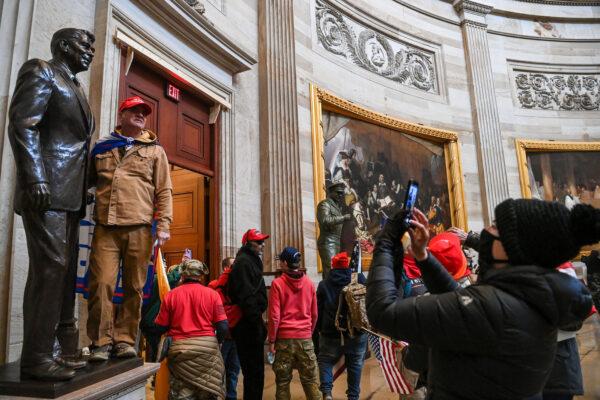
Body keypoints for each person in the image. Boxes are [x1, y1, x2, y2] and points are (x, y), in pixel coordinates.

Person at [366, 199, 596, 399]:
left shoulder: (491, 309)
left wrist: (386, 243)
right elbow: (460, 297)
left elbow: (383, 312)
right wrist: (423, 258)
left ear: (514, 248)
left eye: (496, 226)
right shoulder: (534, 295)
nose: (486, 229)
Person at [8, 27, 96, 380]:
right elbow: (23, 124)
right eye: (83, 44)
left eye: (92, 46)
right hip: (46, 188)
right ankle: (36, 357)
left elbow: (77, 144)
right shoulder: (41, 70)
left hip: (70, 194)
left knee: (63, 270)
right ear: (62, 45)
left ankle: (60, 348)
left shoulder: (75, 86)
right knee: (50, 268)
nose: (90, 50)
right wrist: (35, 177)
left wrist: (86, 185)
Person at [87, 96, 173, 361]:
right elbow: (86, 184)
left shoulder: (155, 151)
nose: (140, 115)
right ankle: (100, 342)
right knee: (101, 284)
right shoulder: (102, 148)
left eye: (143, 112)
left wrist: (164, 225)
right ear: (121, 115)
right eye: (134, 110)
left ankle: (124, 340)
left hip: (139, 227)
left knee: (135, 287)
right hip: (105, 227)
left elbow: (164, 190)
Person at [155, 259, 227, 399]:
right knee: (208, 393)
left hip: (180, 352)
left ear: (183, 275)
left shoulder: (171, 295)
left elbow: (160, 326)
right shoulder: (212, 294)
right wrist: (217, 341)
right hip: (208, 352)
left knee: (182, 394)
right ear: (201, 275)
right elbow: (223, 326)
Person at [268, 247, 320, 400]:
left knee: (283, 381)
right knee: (310, 380)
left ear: (285, 263)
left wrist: (272, 340)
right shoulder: (309, 284)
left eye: (281, 262)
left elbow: (274, 316)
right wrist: (307, 334)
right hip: (305, 337)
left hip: (284, 339)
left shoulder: (277, 284)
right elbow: (315, 314)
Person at [317, 252, 368, 400]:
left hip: (331, 333)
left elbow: (318, 310)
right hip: (357, 332)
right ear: (347, 265)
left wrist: (320, 330)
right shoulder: (359, 279)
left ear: (333, 266)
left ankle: (327, 393)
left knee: (325, 361)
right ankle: (353, 396)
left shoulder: (324, 284)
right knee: (355, 364)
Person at [227, 229, 270, 400]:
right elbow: (245, 295)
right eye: (258, 242)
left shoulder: (250, 260)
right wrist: (256, 323)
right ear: (248, 243)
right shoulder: (243, 262)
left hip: (251, 323)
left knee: (255, 372)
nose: (262, 245)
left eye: (262, 241)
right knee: (253, 372)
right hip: (247, 325)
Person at [140, 249, 192, 362]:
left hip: (148, 322)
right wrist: (184, 263)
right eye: (162, 263)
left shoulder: (144, 278)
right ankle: (156, 377)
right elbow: (171, 279)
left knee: (153, 353)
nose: (164, 265)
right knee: (158, 355)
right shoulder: (154, 279)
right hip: (154, 322)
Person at [208, 257, 241, 400]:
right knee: (217, 372)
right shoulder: (213, 286)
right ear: (225, 268)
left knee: (233, 371)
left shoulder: (240, 285)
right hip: (221, 337)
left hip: (236, 336)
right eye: (233, 265)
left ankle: (231, 397)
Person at [317, 182, 352, 279]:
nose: (340, 195)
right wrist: (343, 218)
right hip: (328, 241)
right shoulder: (324, 204)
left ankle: (330, 293)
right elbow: (325, 220)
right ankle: (330, 293)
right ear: (331, 192)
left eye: (342, 193)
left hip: (335, 242)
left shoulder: (335, 206)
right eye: (338, 193)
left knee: (333, 272)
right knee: (332, 272)